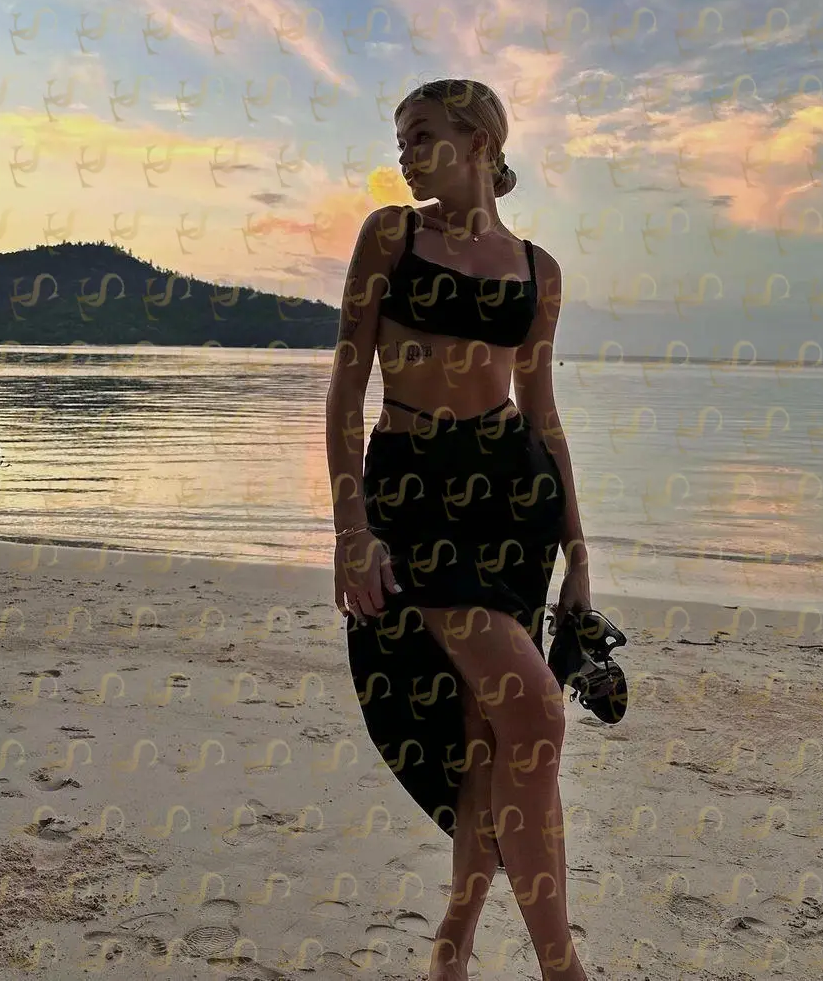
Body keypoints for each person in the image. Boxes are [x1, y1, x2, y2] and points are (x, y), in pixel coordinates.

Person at [326, 78, 594, 981]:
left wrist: (580, 555)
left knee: (494, 732)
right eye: (400, 139)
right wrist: (351, 529)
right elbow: (345, 388)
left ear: (479, 141)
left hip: (514, 502)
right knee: (537, 710)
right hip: (415, 497)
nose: (404, 155)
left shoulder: (539, 270)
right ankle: (563, 968)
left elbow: (543, 413)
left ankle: (453, 943)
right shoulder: (390, 237)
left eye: (421, 135)